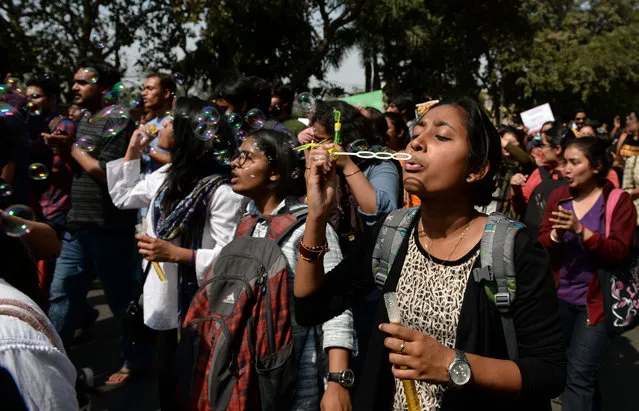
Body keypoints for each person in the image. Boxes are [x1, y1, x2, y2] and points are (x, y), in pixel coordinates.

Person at [294, 97, 565, 410]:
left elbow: (550, 373)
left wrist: (451, 364)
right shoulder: (391, 232)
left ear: (476, 168)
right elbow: (310, 307)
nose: (417, 142)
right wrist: (316, 215)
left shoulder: (514, 250)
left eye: (441, 136)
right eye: (418, 132)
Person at [107, 97, 244, 408]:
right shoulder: (167, 176)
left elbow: (229, 255)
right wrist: (133, 151)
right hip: (163, 294)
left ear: (185, 133)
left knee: (198, 379)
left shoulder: (221, 191)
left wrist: (176, 253)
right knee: (168, 376)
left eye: (170, 122)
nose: (163, 125)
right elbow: (123, 196)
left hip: (199, 302)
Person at [229, 128, 356, 410]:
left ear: (274, 173)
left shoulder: (308, 228)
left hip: (298, 376)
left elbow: (336, 311)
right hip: (249, 367)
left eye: (247, 157)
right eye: (237, 156)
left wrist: (337, 381)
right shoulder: (246, 223)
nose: (234, 163)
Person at [45, 60, 145, 386]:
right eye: (73, 81)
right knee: (62, 295)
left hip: (110, 229)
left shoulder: (118, 120)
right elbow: (81, 171)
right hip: (78, 226)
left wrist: (71, 149)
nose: (74, 87)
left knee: (121, 302)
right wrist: (63, 151)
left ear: (102, 87)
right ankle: (49, 362)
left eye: (81, 82)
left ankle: (134, 360)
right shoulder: (86, 119)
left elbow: (109, 176)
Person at [538, 137, 635, 411]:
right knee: (566, 370)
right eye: (564, 162)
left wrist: (582, 231)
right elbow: (542, 243)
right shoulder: (560, 197)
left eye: (574, 162)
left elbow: (619, 253)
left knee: (579, 377)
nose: (565, 169)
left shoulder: (618, 201)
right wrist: (557, 233)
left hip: (596, 305)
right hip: (558, 299)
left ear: (596, 166)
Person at [140, 72, 176, 172]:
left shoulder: (175, 123)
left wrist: (146, 148)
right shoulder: (149, 125)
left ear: (166, 93)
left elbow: (177, 162)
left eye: (150, 89)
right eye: (143, 89)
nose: (143, 93)